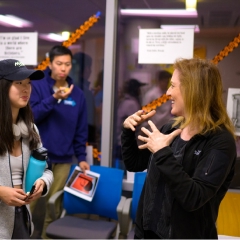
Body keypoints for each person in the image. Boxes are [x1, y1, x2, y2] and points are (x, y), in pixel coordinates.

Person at [121, 58, 236, 239]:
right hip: (147, 233)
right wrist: (128, 132)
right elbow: (134, 163)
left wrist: (162, 152)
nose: (167, 93)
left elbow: (193, 198)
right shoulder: (171, 128)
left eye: (173, 86)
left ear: (192, 91)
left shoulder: (220, 142)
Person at [30, 45, 90, 238]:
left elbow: (81, 130)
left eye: (67, 64)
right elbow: (31, 116)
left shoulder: (78, 94)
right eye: (59, 64)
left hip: (63, 160)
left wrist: (81, 157)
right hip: (37, 159)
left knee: (53, 207)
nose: (63, 68)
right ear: (50, 64)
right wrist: (54, 98)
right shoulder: (37, 86)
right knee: (30, 205)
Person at [0, 59, 53, 239]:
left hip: (22, 217)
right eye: (19, 83)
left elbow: (47, 170)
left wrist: (43, 183)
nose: (26, 89)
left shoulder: (30, 129)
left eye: (28, 83)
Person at [116, 78, 146, 162]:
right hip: (124, 143)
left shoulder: (125, 101)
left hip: (121, 141)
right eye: (139, 89)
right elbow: (136, 124)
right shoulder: (131, 104)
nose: (140, 91)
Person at [70, 52, 96, 143]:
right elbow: (89, 121)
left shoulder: (67, 88)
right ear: (85, 69)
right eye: (90, 67)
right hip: (81, 142)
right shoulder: (83, 92)